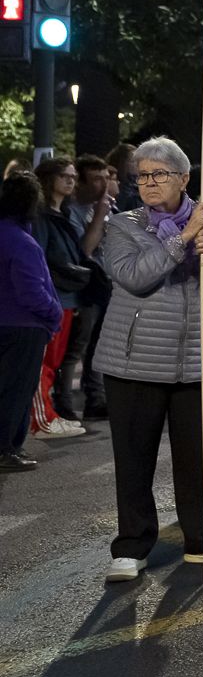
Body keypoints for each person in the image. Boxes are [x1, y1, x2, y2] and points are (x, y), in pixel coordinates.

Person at [95, 136, 203, 582]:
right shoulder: (123, 225)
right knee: (134, 458)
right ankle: (131, 548)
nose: (148, 183)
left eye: (159, 174)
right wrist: (183, 239)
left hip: (197, 359)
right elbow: (133, 277)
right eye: (142, 175)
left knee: (197, 458)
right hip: (133, 363)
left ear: (184, 178)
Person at [0, 173, 63, 472]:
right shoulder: (23, 242)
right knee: (16, 390)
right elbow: (31, 291)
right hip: (23, 326)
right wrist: (54, 313)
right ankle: (7, 448)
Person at [30, 158, 95, 437]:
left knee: (53, 362)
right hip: (54, 298)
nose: (70, 181)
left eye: (72, 176)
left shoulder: (62, 212)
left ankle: (48, 414)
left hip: (66, 298)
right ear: (49, 179)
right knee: (43, 363)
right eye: (64, 176)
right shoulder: (42, 216)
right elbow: (40, 261)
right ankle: (42, 419)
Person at [67, 154, 114, 419]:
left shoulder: (106, 206)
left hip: (106, 284)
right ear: (81, 183)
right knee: (79, 346)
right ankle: (65, 402)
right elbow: (84, 249)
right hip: (85, 289)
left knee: (101, 345)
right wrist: (99, 216)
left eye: (106, 178)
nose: (104, 185)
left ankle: (97, 398)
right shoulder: (73, 211)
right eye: (96, 179)